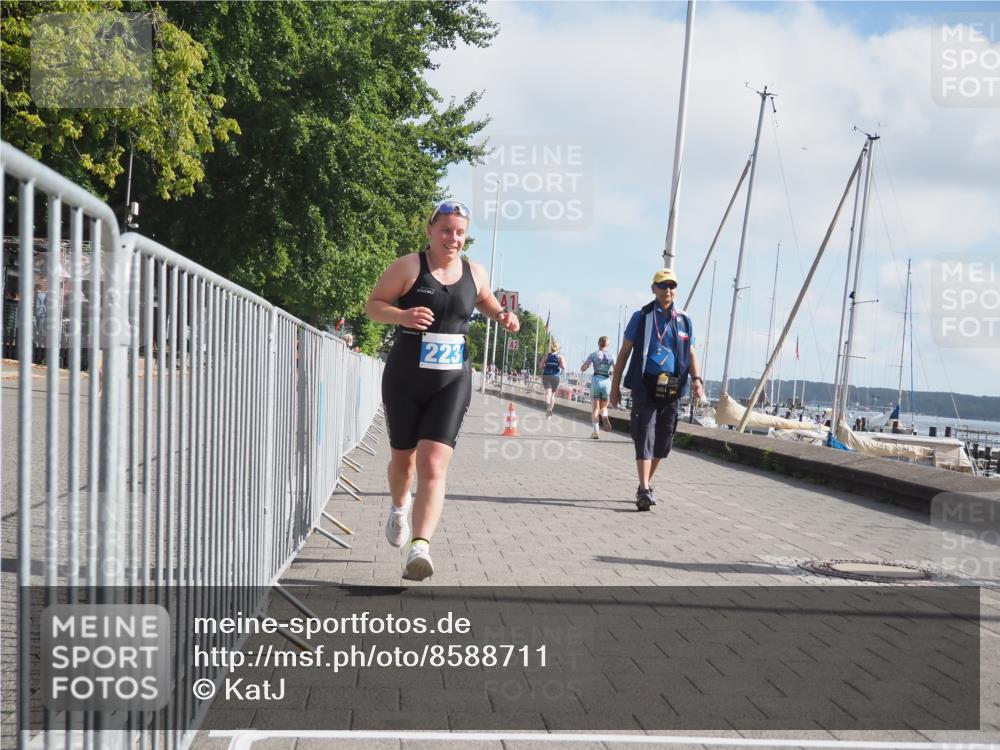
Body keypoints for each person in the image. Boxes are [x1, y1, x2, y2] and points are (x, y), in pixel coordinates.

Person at [365, 200, 519, 580]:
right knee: (404, 462)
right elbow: (373, 305)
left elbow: (483, 300)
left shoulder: (475, 272)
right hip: (405, 377)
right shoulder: (409, 267)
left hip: (451, 380)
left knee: (434, 463)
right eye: (446, 230)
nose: (453, 238)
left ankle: (420, 547)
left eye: (460, 232)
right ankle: (399, 509)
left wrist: (502, 314)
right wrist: (402, 315)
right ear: (431, 231)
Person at [610, 269, 704, 511]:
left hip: (672, 387)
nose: (668, 290)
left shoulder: (684, 320)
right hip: (645, 385)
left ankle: (646, 485)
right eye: (663, 286)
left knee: (663, 440)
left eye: (672, 286)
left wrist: (697, 379)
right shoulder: (641, 317)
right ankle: (643, 489)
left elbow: (692, 352)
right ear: (653, 288)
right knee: (645, 435)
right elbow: (624, 353)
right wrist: (615, 387)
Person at [581, 336, 615, 439]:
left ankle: (596, 431)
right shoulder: (611, 356)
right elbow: (616, 369)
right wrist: (610, 372)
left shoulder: (593, 355)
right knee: (603, 407)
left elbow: (583, 368)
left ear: (598, 344)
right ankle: (604, 416)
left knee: (595, 408)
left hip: (596, 380)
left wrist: (586, 366)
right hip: (606, 381)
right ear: (607, 345)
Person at [538, 341, 565, 417]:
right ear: (558, 349)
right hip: (555, 377)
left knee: (548, 394)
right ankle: (549, 411)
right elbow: (563, 367)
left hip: (546, 376)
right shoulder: (560, 357)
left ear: (551, 348)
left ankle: (547, 402)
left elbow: (540, 366)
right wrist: (559, 365)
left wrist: (545, 366)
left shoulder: (546, 356)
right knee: (553, 395)